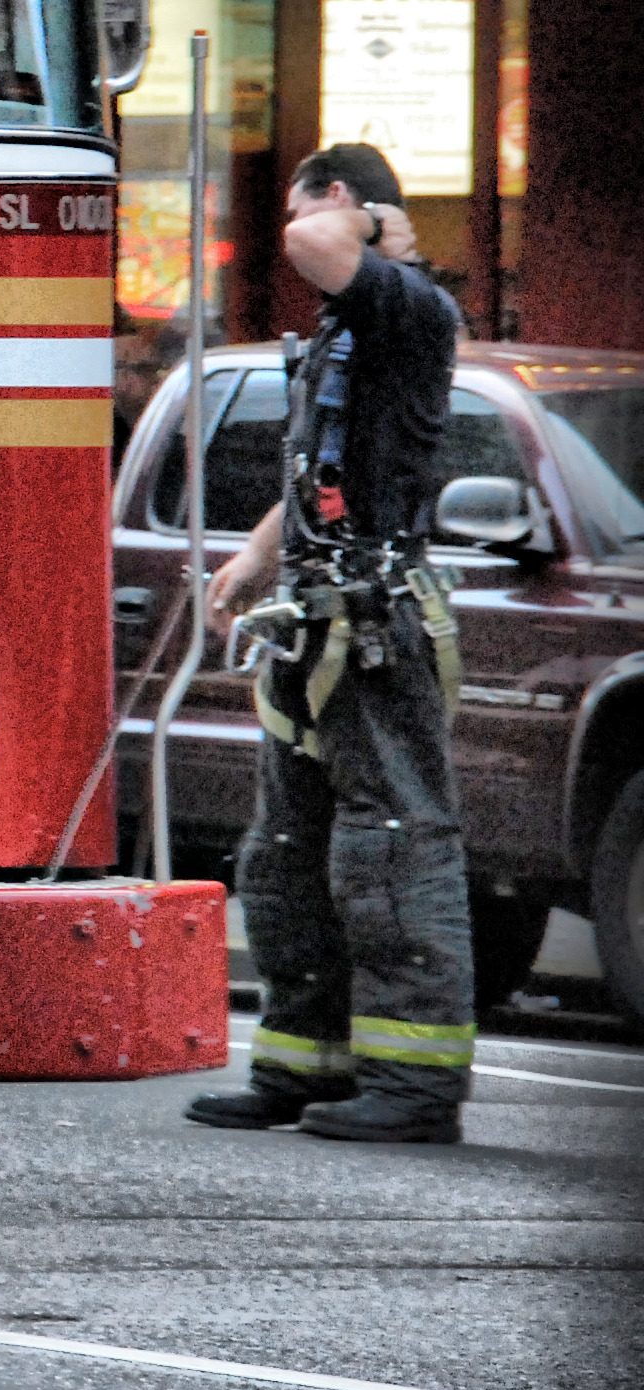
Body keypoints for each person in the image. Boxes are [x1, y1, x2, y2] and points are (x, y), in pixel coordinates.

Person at [188, 145, 473, 1143]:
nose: (300, 235)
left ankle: (413, 1086)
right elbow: (314, 463)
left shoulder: (405, 306)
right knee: (286, 855)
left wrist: (368, 229)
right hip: (312, 621)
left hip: (374, 629)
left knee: (388, 849)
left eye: (314, 204)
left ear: (340, 199)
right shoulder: (347, 327)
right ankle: (302, 1066)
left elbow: (307, 236)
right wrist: (252, 560)